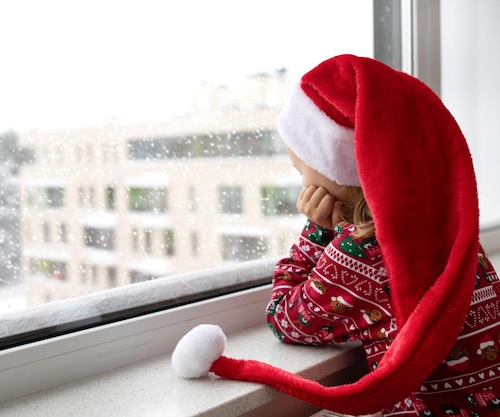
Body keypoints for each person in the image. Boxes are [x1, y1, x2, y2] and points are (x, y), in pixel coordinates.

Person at [172, 54, 500, 416]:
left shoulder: (363, 252)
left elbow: (284, 319)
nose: (301, 184)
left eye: (303, 169)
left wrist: (317, 230)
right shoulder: (445, 234)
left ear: (344, 166)